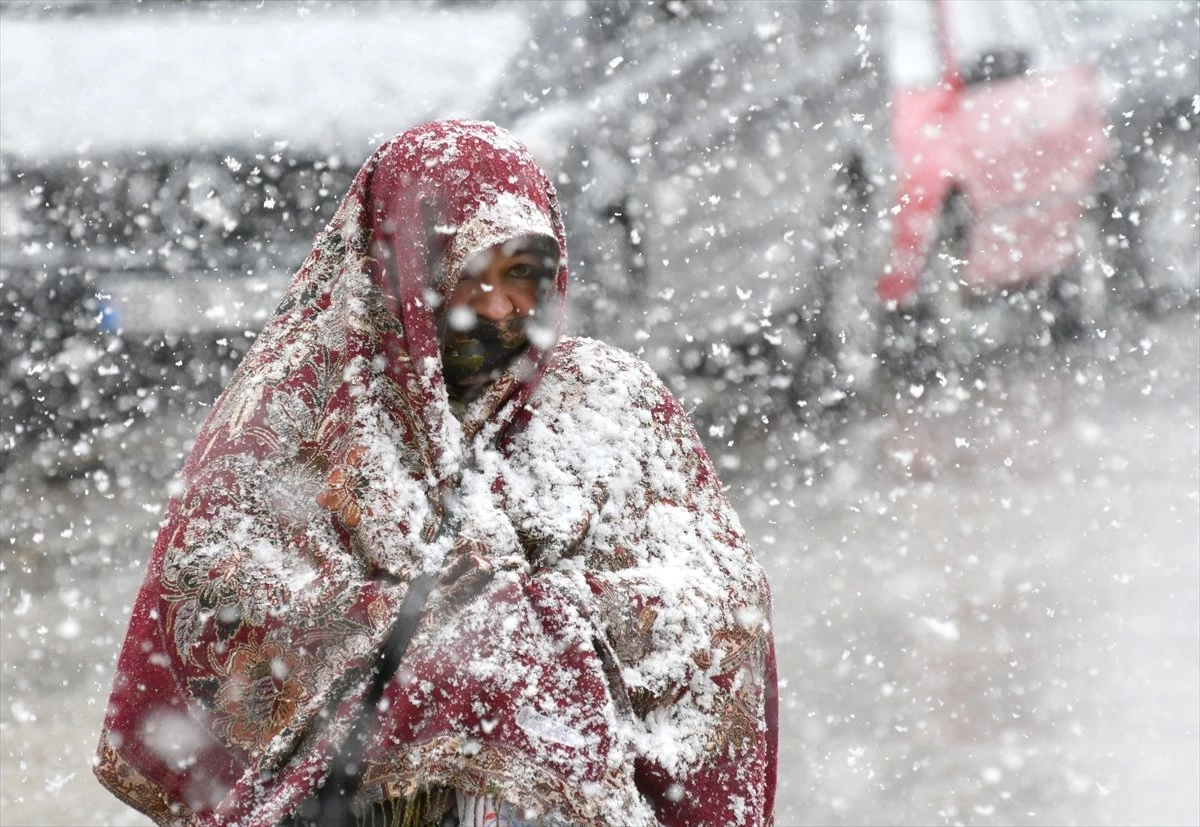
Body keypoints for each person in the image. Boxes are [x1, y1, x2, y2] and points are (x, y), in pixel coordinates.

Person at [94, 120, 778, 827]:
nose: (503, 307)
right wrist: (421, 630)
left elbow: (720, 596)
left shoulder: (609, 402)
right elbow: (214, 594)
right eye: (473, 274)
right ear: (404, 268)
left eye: (524, 275)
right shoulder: (297, 412)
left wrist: (552, 621)